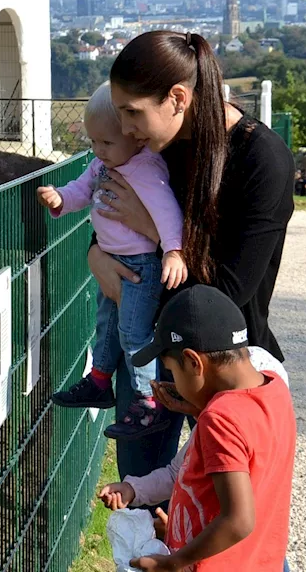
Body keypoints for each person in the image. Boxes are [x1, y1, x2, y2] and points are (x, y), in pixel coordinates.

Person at [87, 30, 295, 481]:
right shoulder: (158, 148)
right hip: (151, 359)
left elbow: (230, 290)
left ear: (178, 98)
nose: (124, 130)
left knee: (223, 525)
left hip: (225, 372)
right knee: (140, 501)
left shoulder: (263, 160)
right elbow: (113, 216)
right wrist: (95, 256)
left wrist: (152, 230)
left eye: (132, 113)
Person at [103, 286, 296, 572]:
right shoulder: (274, 389)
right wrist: (198, 408)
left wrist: (173, 562)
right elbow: (251, 451)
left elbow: (239, 520)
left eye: (173, 371)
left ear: (194, 362)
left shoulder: (221, 419)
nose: (175, 382)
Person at [38, 84, 189, 441]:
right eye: (93, 143)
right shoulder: (103, 163)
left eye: (106, 143)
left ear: (135, 138)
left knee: (135, 333)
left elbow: (168, 213)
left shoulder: (146, 169)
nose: (98, 151)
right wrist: (60, 198)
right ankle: (100, 380)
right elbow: (80, 190)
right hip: (113, 258)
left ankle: (147, 400)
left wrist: (173, 249)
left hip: (140, 266)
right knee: (106, 323)